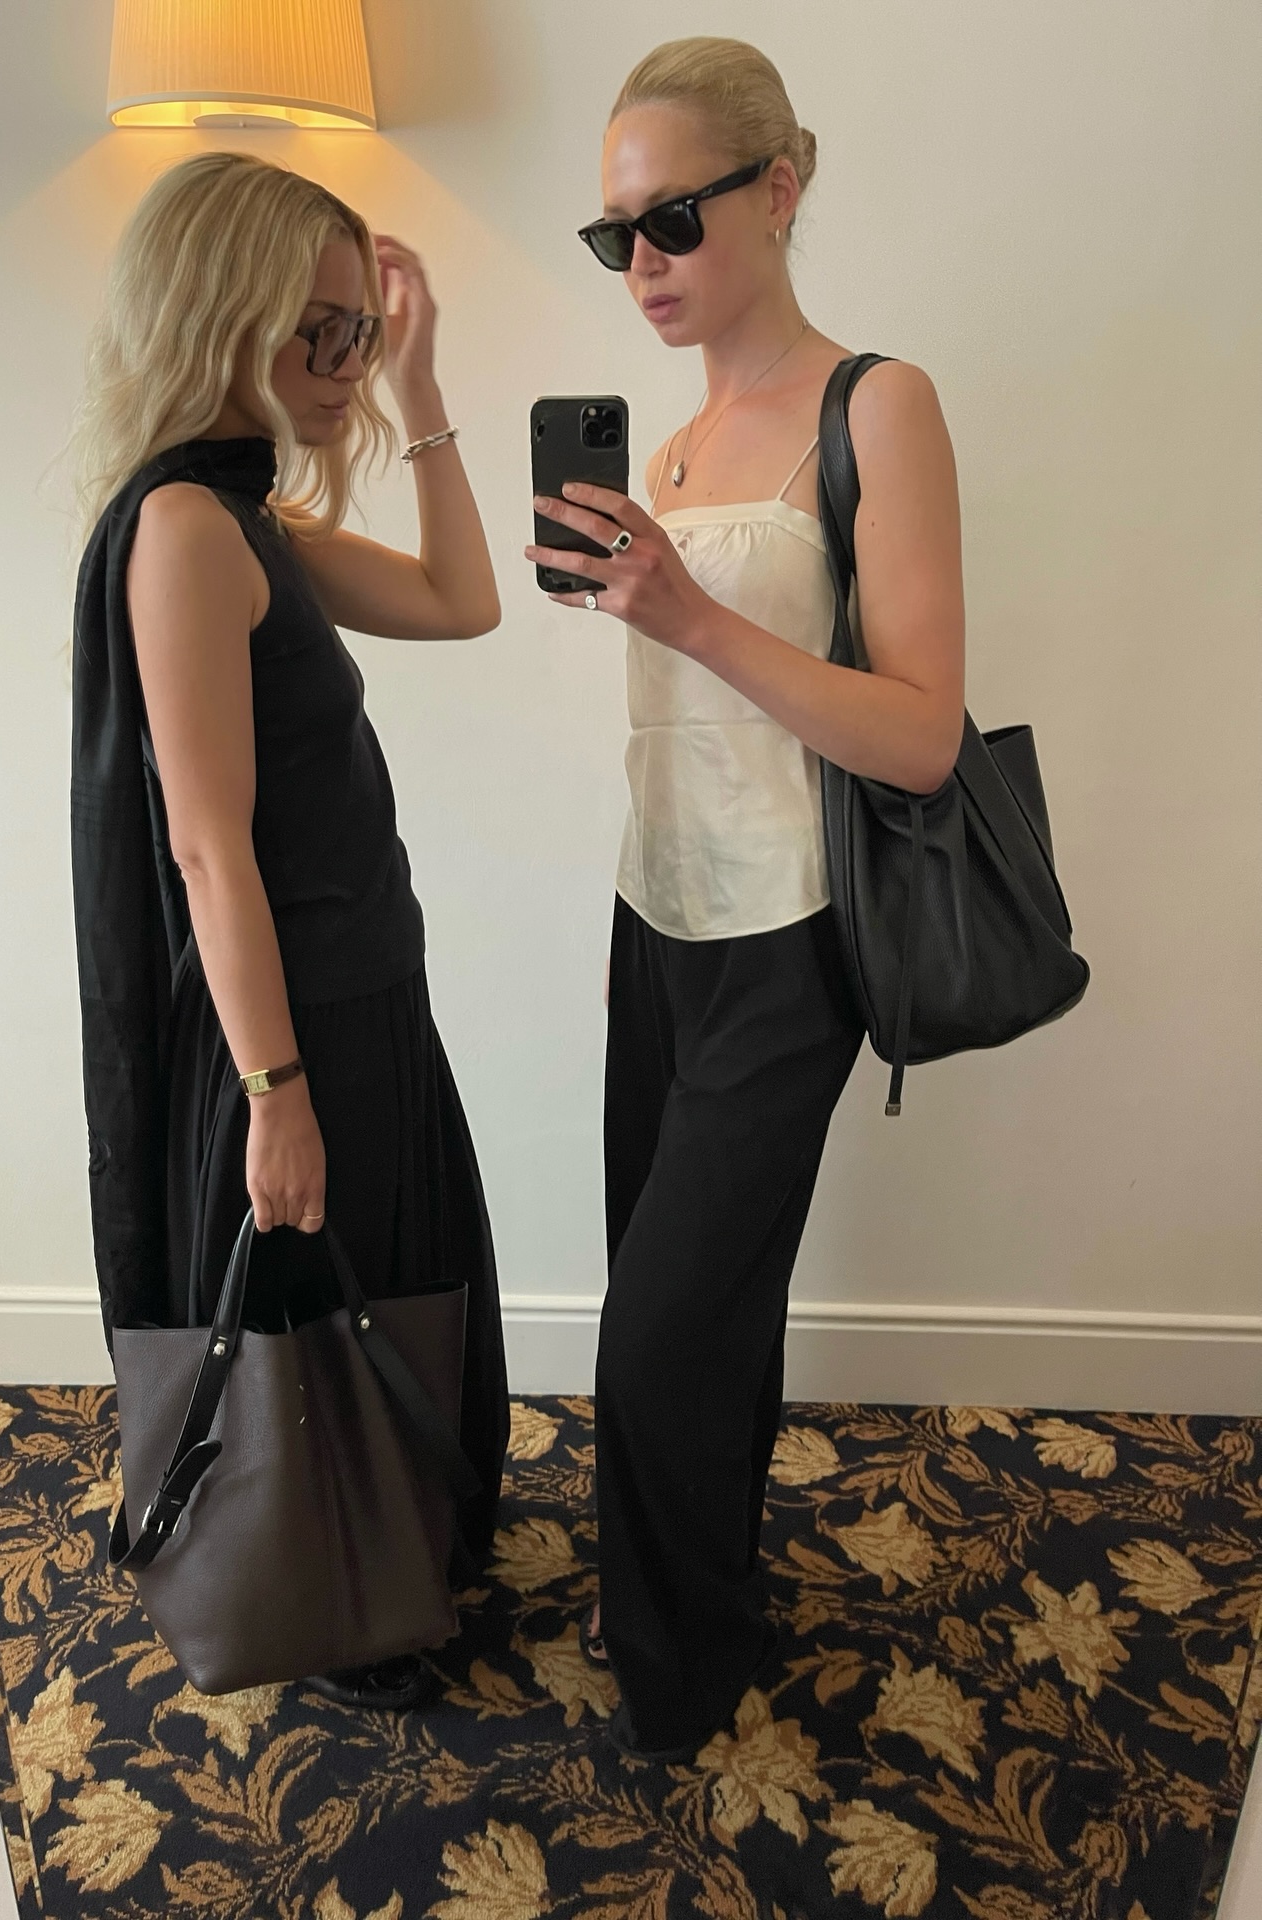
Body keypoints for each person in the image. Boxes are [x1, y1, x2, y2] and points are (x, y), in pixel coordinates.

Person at [525, 37, 966, 1761]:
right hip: (654, 922)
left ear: (779, 189)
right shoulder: (677, 447)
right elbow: (686, 717)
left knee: (655, 1337)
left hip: (792, 938)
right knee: (703, 1311)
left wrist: (690, 616)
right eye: (613, 235)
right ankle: (696, 1603)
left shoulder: (878, 407)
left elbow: (921, 736)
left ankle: (676, 1669)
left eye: (672, 220)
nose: (641, 264)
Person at [70, 151, 509, 1712]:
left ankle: (391, 1561)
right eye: (319, 331)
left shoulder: (250, 517)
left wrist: (426, 382)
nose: (345, 364)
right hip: (298, 1024)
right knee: (321, 1327)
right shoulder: (188, 529)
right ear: (221, 315)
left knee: (393, 1303)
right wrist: (275, 1091)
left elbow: (463, 599)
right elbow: (207, 845)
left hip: (364, 994)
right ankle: (333, 1604)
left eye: (356, 332)